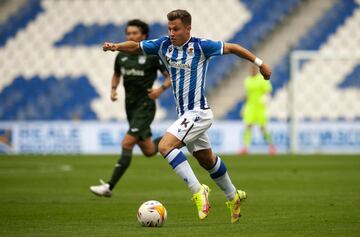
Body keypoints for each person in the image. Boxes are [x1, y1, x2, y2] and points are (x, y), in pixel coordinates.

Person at [102, 10, 271, 223]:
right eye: (169, 28)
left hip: (199, 112)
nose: (171, 33)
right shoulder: (163, 45)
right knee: (207, 160)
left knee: (164, 146)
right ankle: (232, 194)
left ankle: (198, 190)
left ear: (188, 28)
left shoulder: (201, 47)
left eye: (176, 29)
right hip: (185, 115)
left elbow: (233, 48)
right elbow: (135, 46)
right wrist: (116, 47)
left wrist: (260, 63)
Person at [90, 19, 171, 197]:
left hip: (146, 106)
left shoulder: (152, 56)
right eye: (128, 33)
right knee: (149, 150)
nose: (131, 36)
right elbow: (117, 74)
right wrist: (112, 90)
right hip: (130, 107)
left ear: (144, 36)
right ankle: (179, 139)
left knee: (127, 142)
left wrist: (159, 90)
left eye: (135, 33)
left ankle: (109, 187)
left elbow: (170, 77)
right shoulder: (122, 56)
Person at [240, 64, 276, 155]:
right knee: (247, 126)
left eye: (254, 69)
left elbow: (268, 91)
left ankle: (271, 146)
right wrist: (243, 107)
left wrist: (266, 97)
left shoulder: (262, 79)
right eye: (251, 69)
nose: (252, 71)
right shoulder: (247, 80)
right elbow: (247, 95)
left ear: (257, 70)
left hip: (260, 107)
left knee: (263, 128)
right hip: (250, 106)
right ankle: (245, 148)